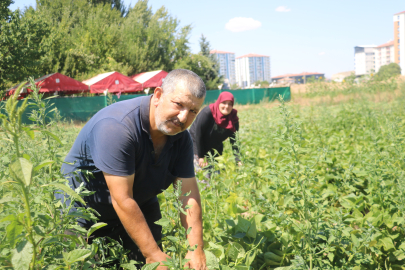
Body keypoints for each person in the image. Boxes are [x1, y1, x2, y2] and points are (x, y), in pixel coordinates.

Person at [59, 69, 207, 270]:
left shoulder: (181, 138)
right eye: (178, 104)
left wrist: (195, 247)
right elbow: (122, 199)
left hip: (138, 203)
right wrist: (153, 253)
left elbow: (188, 195)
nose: (183, 118)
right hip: (83, 209)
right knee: (84, 266)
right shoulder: (118, 127)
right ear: (158, 95)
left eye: (193, 111)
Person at [189, 91, 241, 178]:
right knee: (204, 179)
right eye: (224, 103)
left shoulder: (233, 119)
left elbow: (234, 141)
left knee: (216, 177)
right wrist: (201, 156)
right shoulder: (208, 113)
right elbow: (198, 134)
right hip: (197, 145)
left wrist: (238, 159)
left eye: (230, 104)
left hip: (215, 148)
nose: (227, 106)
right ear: (219, 102)